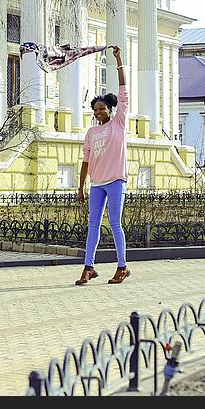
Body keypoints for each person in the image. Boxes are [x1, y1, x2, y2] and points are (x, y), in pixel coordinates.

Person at [75, 44, 130, 285]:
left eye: (102, 109)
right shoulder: (90, 133)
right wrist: (80, 187)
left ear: (110, 109)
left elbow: (124, 91)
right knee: (93, 225)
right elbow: (85, 161)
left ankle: (122, 266)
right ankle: (89, 267)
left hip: (116, 180)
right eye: (95, 110)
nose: (98, 112)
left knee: (115, 223)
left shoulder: (118, 123)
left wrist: (118, 61)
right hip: (97, 184)